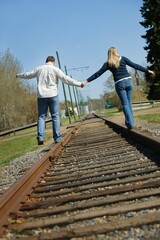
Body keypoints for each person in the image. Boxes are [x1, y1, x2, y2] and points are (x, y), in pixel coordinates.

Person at [82, 47, 155, 129]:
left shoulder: (108, 63)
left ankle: (130, 123)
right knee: (129, 103)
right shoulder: (123, 58)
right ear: (116, 52)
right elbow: (135, 65)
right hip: (128, 82)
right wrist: (148, 70)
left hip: (119, 84)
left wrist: (86, 81)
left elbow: (98, 74)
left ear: (109, 54)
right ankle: (130, 122)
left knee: (125, 104)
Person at [16, 56, 83, 145]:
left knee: (41, 116)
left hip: (41, 96)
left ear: (46, 61)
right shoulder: (55, 69)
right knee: (55, 116)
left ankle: (40, 137)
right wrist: (79, 84)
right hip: (53, 95)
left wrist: (18, 75)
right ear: (53, 61)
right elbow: (66, 79)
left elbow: (28, 75)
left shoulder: (39, 69)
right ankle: (57, 138)